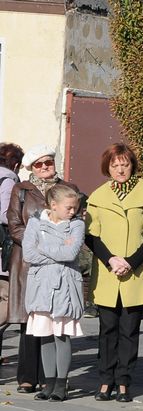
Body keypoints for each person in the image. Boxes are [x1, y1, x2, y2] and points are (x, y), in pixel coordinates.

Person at [86, 143, 143, 403]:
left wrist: (130, 261)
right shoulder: (98, 196)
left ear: (133, 165)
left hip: (136, 272)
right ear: (107, 167)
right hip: (108, 272)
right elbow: (91, 236)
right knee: (107, 330)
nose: (120, 169)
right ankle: (105, 380)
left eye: (125, 164)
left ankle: (124, 382)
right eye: (115, 165)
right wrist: (111, 260)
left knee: (129, 331)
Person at [8, 145, 80, 394]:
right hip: (28, 264)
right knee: (32, 322)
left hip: (57, 267)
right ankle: (28, 376)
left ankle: (52, 379)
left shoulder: (68, 189)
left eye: (48, 162)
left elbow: (74, 235)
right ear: (31, 167)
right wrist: (40, 241)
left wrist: (42, 243)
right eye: (39, 164)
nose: (45, 167)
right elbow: (15, 224)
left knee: (56, 326)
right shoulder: (22, 189)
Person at [23, 185, 85, 402]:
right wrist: (57, 249)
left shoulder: (76, 224)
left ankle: (61, 383)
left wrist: (44, 247)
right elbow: (29, 253)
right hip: (41, 285)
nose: (72, 212)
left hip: (65, 285)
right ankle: (48, 383)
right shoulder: (35, 222)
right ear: (53, 205)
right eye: (68, 208)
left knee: (61, 335)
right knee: (45, 336)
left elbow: (71, 253)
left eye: (75, 207)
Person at [0, 143, 24, 329]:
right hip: (2, 248)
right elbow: (6, 215)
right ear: (15, 165)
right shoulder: (8, 181)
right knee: (6, 297)